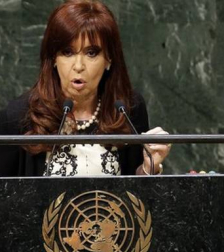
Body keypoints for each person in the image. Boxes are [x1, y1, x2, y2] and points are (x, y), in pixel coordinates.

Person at [0, 0, 171, 176]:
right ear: (53, 60)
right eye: (68, 52)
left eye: (91, 53)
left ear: (109, 59)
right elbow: (6, 195)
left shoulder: (128, 109)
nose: (79, 66)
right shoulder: (19, 115)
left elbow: (136, 194)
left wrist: (150, 166)